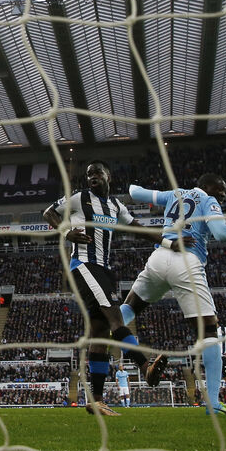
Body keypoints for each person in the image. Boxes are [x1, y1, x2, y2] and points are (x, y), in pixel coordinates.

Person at [120, 173, 226, 416]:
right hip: (187, 262)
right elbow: (222, 233)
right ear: (207, 186)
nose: (223, 195)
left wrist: (128, 183)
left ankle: (104, 335)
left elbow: (135, 192)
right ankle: (213, 403)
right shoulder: (207, 200)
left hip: (159, 257)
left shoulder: (175, 194)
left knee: (125, 312)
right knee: (209, 331)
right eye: (220, 189)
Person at [43, 160, 170, 417]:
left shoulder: (116, 206)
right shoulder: (79, 198)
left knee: (100, 332)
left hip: (104, 269)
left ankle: (97, 400)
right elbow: (48, 212)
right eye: (89, 173)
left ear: (107, 176)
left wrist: (169, 243)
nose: (92, 176)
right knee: (116, 319)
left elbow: (138, 229)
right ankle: (144, 366)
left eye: (97, 173)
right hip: (84, 265)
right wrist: (66, 232)